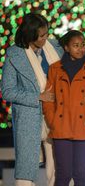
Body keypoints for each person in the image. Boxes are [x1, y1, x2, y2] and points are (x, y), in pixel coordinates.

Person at [1, 13, 63, 186]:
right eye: (41, 35)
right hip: (29, 118)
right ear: (30, 34)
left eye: (46, 34)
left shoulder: (54, 47)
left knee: (59, 168)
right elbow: (7, 91)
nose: (46, 38)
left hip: (56, 116)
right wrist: (37, 97)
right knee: (26, 172)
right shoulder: (15, 54)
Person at [42, 30, 85, 186]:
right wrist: (53, 121)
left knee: (81, 174)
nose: (81, 49)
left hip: (83, 128)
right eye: (75, 45)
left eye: (82, 45)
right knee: (63, 175)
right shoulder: (55, 69)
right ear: (66, 47)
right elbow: (49, 99)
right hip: (61, 128)